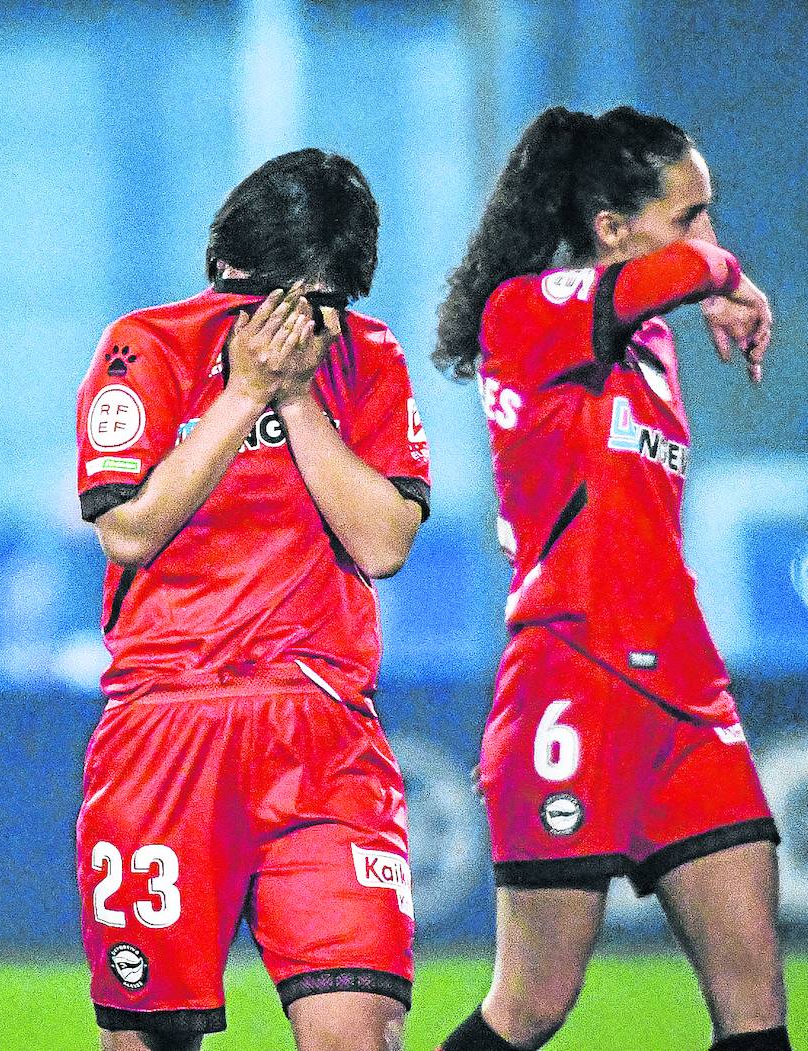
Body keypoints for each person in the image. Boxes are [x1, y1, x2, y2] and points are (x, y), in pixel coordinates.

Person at [431, 107, 784, 1051]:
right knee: (533, 1007)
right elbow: (685, 273)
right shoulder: (528, 312)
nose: (708, 236)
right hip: (572, 682)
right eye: (689, 215)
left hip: (686, 694)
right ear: (612, 232)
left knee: (758, 1021)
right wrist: (726, 277)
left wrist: (708, 277)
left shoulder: (652, 347)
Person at [75, 148, 431, 1051]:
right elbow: (128, 530)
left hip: (321, 726)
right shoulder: (145, 345)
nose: (305, 320)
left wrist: (301, 398)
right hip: (167, 724)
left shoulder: (368, 358)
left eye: (326, 301)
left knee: (360, 1032)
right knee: (147, 1040)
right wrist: (244, 394)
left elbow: (385, 542)